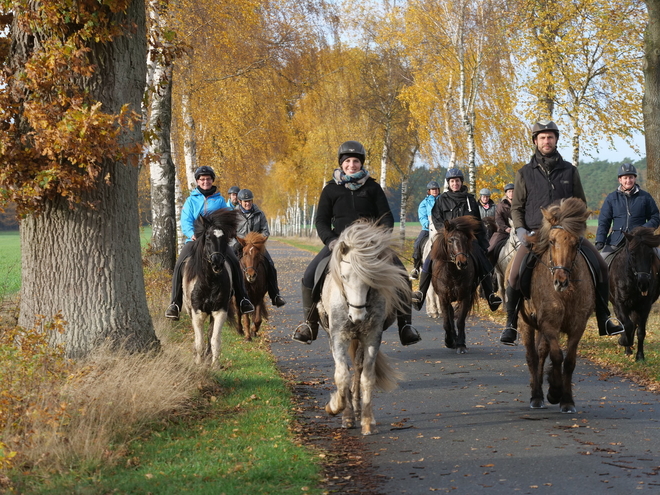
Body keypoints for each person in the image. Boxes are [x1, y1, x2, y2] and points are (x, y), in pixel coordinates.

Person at [499, 121, 623, 345]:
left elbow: (581, 204)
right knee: (515, 274)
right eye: (542, 138)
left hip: (567, 234)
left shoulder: (569, 171)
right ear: (536, 141)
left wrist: (576, 228)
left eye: (550, 137)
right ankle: (510, 324)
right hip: (536, 233)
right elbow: (517, 207)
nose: (547, 141)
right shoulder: (524, 173)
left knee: (602, 267)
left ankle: (605, 317)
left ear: (556, 140)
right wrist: (520, 231)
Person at [291, 140, 422, 346]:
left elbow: (386, 217)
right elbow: (321, 221)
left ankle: (405, 326)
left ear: (361, 163)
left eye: (356, 161)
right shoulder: (330, 189)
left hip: (370, 246)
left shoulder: (373, 187)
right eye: (348, 161)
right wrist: (331, 241)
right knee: (309, 276)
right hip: (339, 245)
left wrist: (378, 239)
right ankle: (310, 324)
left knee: (402, 277)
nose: (352, 165)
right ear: (341, 163)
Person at [165, 166, 255, 320]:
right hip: (195, 240)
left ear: (212, 180)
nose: (205, 181)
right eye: (202, 179)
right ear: (197, 181)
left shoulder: (219, 200)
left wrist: (227, 232)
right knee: (180, 263)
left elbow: (229, 220)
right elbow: (185, 220)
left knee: (234, 261)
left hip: (216, 241)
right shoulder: (190, 200)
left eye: (208, 179)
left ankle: (243, 299)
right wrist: (192, 234)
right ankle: (175, 303)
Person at [412, 168, 503, 312]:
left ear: (461, 182)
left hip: (466, 239)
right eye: (452, 181)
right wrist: (446, 231)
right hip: (447, 238)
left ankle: (490, 295)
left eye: (457, 181)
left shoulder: (470, 199)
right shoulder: (442, 199)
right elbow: (436, 218)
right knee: (430, 257)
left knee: (482, 260)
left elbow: (477, 222)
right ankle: (421, 294)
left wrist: (482, 242)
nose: (455, 183)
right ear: (449, 183)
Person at [234, 188, 286, 307]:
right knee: (228, 264)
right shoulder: (234, 214)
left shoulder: (259, 213)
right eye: (245, 201)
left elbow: (265, 231)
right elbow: (231, 232)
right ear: (240, 202)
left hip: (256, 247)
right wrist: (241, 241)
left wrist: (258, 241)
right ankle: (227, 295)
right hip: (239, 245)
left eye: (250, 201)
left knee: (270, 264)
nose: (248, 203)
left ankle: (275, 295)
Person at [595, 163, 660, 255]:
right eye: (625, 178)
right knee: (600, 262)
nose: (628, 180)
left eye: (631, 177)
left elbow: (655, 217)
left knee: (658, 255)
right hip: (616, 241)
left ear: (635, 178)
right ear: (620, 180)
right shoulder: (611, 198)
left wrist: (642, 229)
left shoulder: (645, 197)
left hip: (641, 239)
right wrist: (600, 240)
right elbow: (604, 221)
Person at [410, 180, 441, 279]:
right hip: (428, 228)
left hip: (441, 227)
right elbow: (422, 216)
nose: (434, 191)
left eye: (436, 189)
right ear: (429, 191)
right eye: (432, 189)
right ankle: (416, 268)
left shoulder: (443, 200)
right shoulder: (424, 203)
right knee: (417, 244)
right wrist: (427, 224)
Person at [487, 183, 514, 262]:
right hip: (503, 232)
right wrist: (506, 228)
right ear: (506, 193)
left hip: (517, 231)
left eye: (513, 191)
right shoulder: (500, 206)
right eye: (509, 191)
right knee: (490, 249)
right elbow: (498, 219)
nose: (511, 193)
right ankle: (489, 269)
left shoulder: (519, 204)